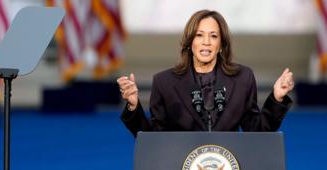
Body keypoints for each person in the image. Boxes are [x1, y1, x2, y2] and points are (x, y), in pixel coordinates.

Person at [117, 10, 294, 137]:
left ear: (222, 44)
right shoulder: (165, 82)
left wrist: (276, 98)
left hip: (229, 169)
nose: (206, 42)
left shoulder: (243, 78)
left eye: (213, 36)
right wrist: (133, 106)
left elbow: (256, 132)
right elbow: (154, 138)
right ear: (189, 41)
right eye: (199, 35)